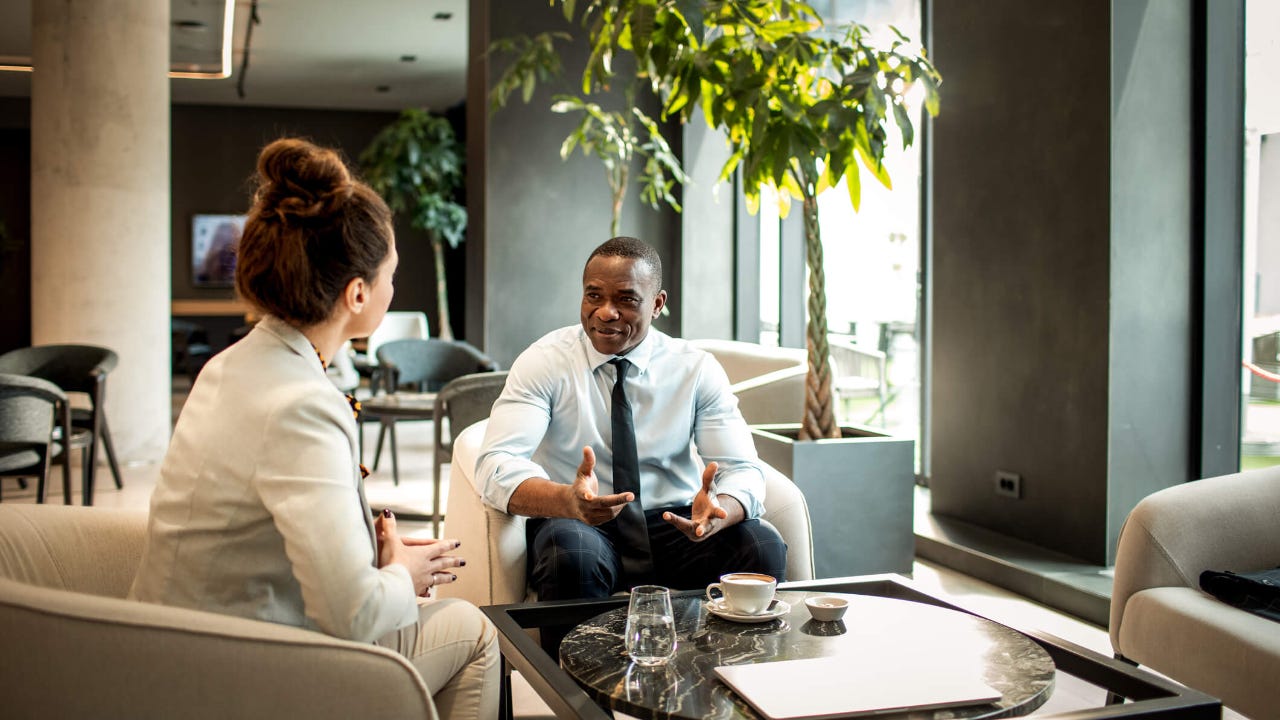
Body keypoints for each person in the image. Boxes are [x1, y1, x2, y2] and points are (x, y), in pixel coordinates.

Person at [130, 138, 498, 719]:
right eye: (391, 276)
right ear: (357, 294)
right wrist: (402, 572)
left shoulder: (230, 365)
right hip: (232, 671)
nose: (393, 288)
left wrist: (372, 552)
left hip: (171, 642)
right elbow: (352, 616)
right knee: (474, 629)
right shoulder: (303, 403)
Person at [476, 236, 788, 616]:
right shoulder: (544, 361)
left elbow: (742, 469)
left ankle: (734, 669)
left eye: (626, 299)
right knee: (570, 553)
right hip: (580, 520)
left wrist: (718, 510)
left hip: (676, 522)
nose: (606, 312)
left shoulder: (694, 368)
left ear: (657, 304)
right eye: (594, 296)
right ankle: (570, 676)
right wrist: (567, 501)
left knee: (760, 543)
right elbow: (496, 464)